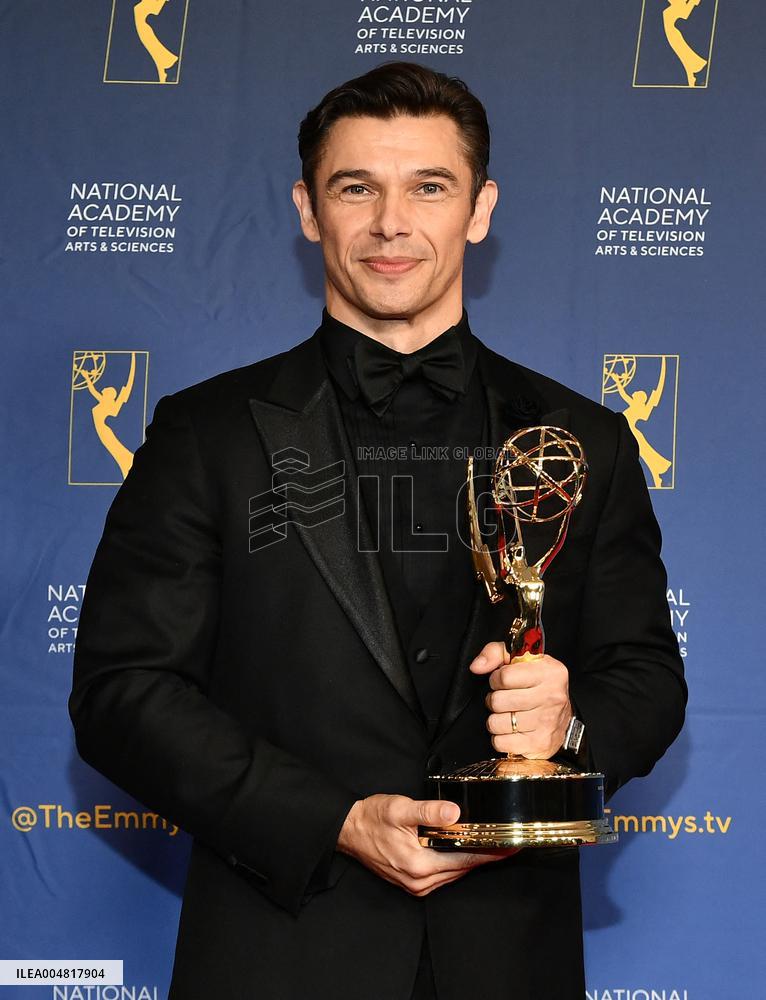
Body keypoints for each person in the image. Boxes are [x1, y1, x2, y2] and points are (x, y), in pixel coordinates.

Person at [69, 63, 686, 1000]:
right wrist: (336, 820)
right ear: (308, 210)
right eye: (356, 188)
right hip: (280, 956)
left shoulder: (584, 441)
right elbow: (124, 692)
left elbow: (645, 678)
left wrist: (568, 726)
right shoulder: (206, 435)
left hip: (509, 960)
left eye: (428, 187)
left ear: (480, 210)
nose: (392, 223)